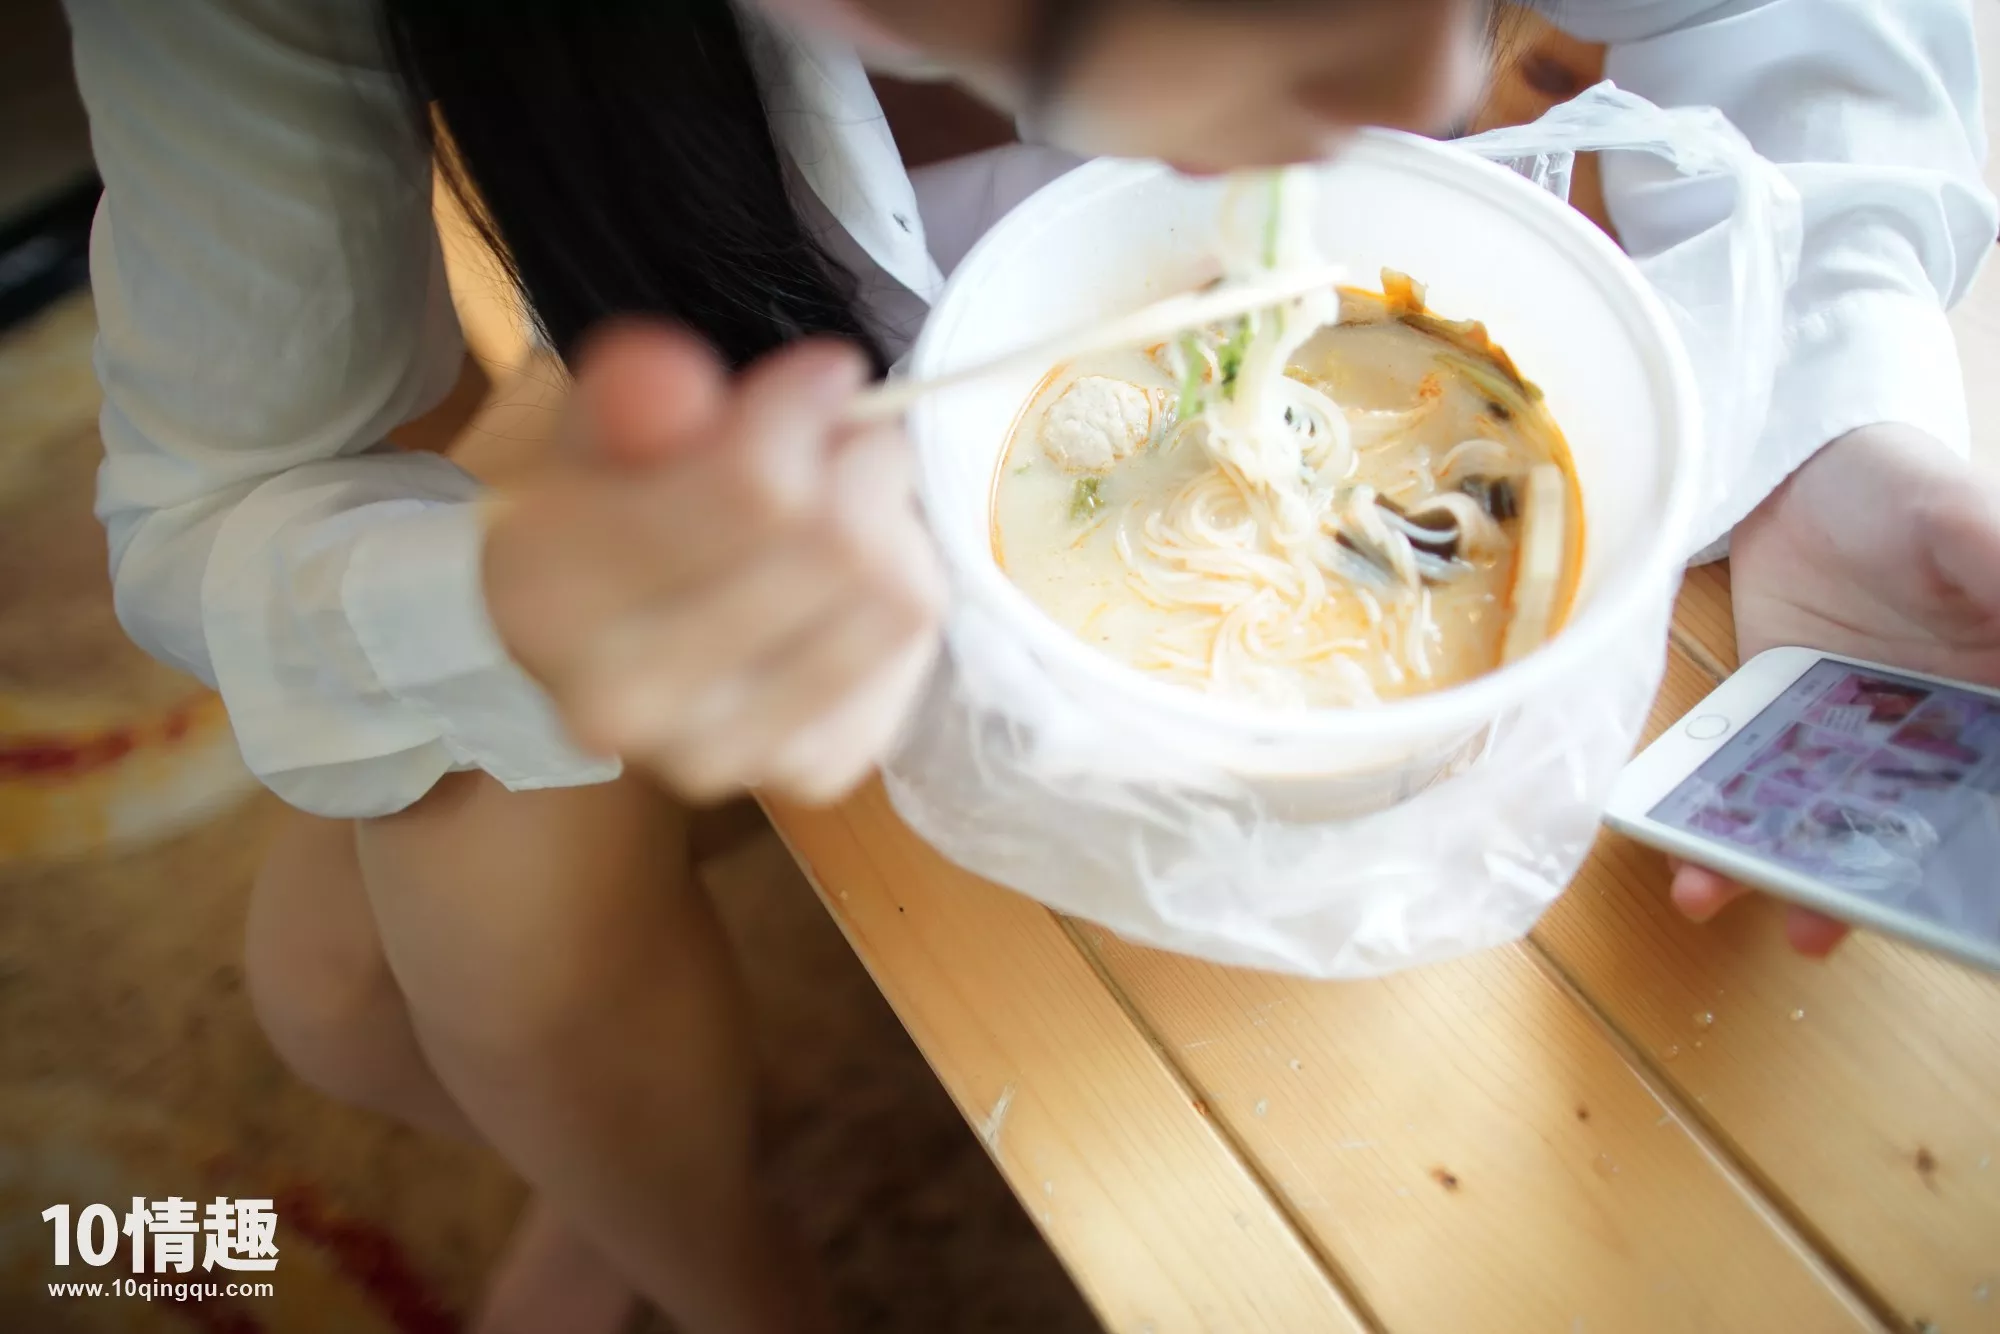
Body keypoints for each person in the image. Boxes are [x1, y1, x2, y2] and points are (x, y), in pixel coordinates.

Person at [59, 0, 1999, 1328]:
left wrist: (1849, 418)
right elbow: (218, 504)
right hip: (731, 354)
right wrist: (532, 597)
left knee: (352, 973)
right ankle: (728, 1271)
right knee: (351, 979)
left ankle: (638, 1181)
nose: (1435, 63)